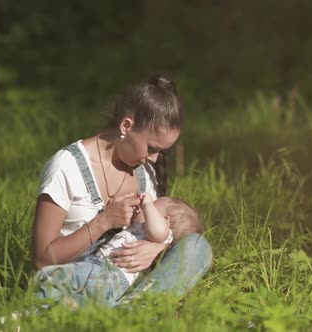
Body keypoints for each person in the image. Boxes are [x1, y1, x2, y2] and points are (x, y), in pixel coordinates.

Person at [31, 74, 213, 308]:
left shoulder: (144, 171)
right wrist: (104, 221)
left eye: (162, 152)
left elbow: (158, 230)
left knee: (198, 246)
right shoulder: (66, 167)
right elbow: (42, 259)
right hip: (80, 282)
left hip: (129, 282)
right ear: (126, 126)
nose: (154, 158)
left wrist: (158, 247)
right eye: (151, 148)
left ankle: (128, 312)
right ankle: (130, 315)